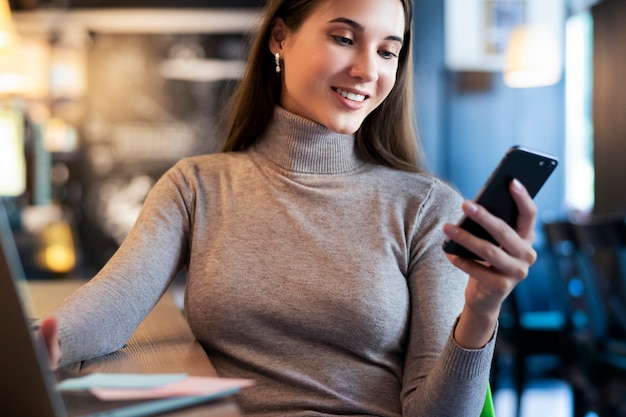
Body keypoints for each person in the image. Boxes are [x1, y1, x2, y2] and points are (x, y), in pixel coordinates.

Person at [39, 0, 538, 416]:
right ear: (281, 38)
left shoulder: (425, 207)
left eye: (389, 51)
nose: (368, 69)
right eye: (344, 38)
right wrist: (36, 344)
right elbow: (110, 306)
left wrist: (481, 308)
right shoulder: (197, 186)